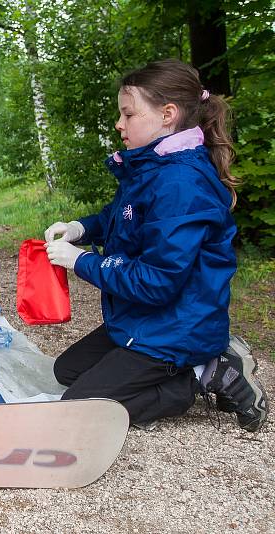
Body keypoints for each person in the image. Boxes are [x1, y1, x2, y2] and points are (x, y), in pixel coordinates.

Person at [44, 59, 268, 432]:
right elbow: (119, 217)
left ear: (168, 114)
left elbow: (158, 280)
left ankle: (202, 375)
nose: (119, 124)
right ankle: (194, 364)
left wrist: (82, 262)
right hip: (146, 320)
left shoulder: (182, 182)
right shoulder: (151, 167)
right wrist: (79, 228)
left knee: (79, 407)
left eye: (128, 114)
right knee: (66, 370)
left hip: (177, 328)